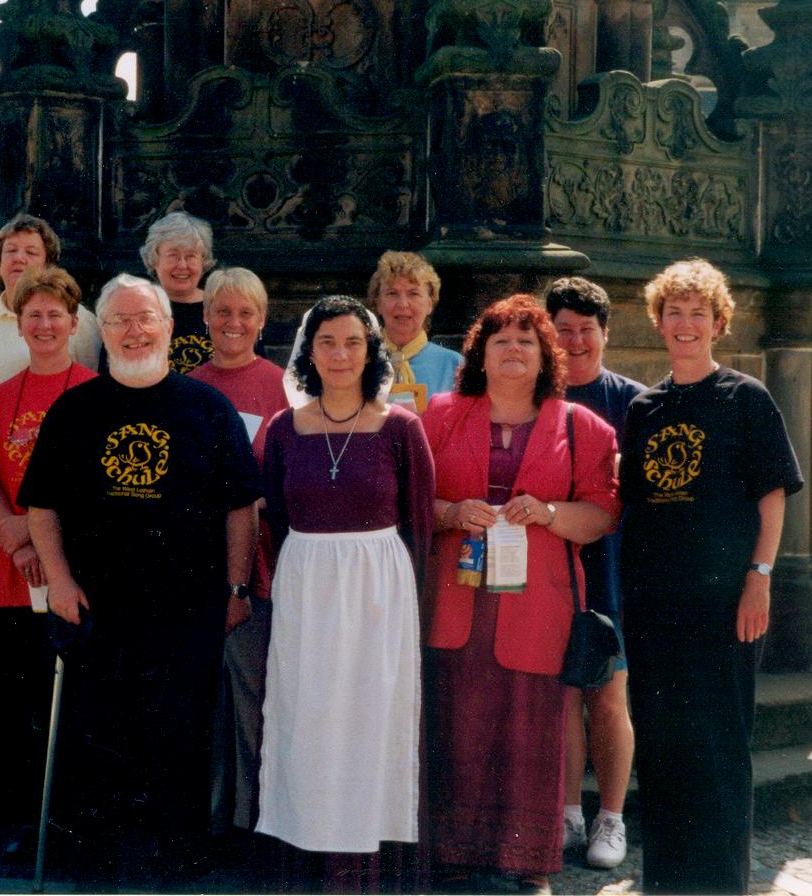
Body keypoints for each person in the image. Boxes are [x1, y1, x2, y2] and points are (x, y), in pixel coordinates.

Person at [19, 273, 261, 889]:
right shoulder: (76, 410)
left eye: (144, 318)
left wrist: (236, 590)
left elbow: (241, 507)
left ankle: (175, 867)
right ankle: (97, 870)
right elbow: (41, 506)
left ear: (168, 326)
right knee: (99, 740)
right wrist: (62, 583)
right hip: (97, 608)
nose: (133, 330)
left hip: (188, 610)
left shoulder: (208, 408)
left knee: (179, 740)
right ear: (102, 331)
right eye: (120, 320)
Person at [422, 295, 619, 895]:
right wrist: (452, 510)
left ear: (545, 357)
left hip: (540, 601)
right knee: (454, 717)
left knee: (532, 724)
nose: (512, 348)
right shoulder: (439, 414)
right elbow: (406, 500)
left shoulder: (582, 427)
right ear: (479, 352)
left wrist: (551, 512)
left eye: (526, 340)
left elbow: (604, 515)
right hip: (457, 596)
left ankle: (526, 859)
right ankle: (450, 855)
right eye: (499, 338)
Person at [620, 258, 802, 894]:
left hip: (726, 602)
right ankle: (666, 884)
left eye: (698, 312)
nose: (686, 323)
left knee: (720, 747)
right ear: (659, 322)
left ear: (719, 323)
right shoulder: (643, 409)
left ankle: (722, 885)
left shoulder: (746, 398)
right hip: (654, 606)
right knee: (664, 749)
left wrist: (760, 576)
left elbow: (772, 496)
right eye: (675, 311)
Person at [256, 295, 435, 892]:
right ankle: (305, 857)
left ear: (370, 350)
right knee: (306, 715)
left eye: (353, 342)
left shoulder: (401, 428)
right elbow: (274, 518)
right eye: (327, 342)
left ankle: (363, 870)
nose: (339, 354)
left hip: (378, 591)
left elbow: (419, 523)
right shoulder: (285, 429)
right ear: (309, 351)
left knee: (370, 717)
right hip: (308, 582)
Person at [0, 266, 98, 855]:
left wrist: (40, 532)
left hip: (71, 570)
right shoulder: (2, 398)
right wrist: (15, 534)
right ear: (19, 326)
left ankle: (68, 820)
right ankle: (25, 822)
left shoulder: (97, 393)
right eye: (34, 315)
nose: (44, 324)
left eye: (55, 314)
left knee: (71, 705)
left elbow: (98, 489)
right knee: (15, 699)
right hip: (7, 572)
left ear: (74, 324)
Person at [544, 277, 644, 870]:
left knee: (606, 694)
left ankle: (611, 816)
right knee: (560, 696)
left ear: (605, 334)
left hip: (610, 566)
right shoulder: (533, 394)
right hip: (548, 563)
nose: (576, 341)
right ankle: (567, 812)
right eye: (564, 330)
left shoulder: (636, 403)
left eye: (587, 330)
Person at [187, 267, 289, 840]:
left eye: (245, 312)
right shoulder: (188, 386)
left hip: (259, 565)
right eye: (222, 311)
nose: (233, 323)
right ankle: (206, 818)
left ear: (261, 319)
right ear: (204, 318)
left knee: (253, 694)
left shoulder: (282, 385)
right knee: (200, 698)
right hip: (194, 565)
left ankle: (253, 821)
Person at [0, 212, 103, 419]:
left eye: (31, 252)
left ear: (48, 265)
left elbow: (87, 386)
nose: (19, 258)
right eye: (11, 251)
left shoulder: (74, 319)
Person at [367, 250, 464, 410]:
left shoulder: (455, 365)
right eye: (392, 293)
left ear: (430, 304)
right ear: (378, 303)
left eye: (414, 294)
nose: (403, 304)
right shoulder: (360, 360)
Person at [139, 211, 217, 374]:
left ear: (203, 261)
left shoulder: (221, 308)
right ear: (154, 260)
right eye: (172, 255)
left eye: (191, 256)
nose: (182, 265)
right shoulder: (134, 308)